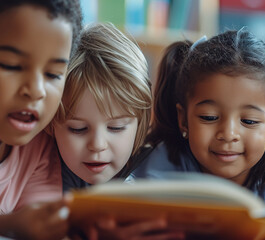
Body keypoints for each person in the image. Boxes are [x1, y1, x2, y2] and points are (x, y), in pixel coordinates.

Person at [132, 29, 265, 206]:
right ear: (184, 120)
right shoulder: (159, 169)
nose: (228, 134)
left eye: (249, 121)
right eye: (209, 117)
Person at [48, 22, 184, 240]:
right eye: (78, 129)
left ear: (141, 120)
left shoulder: (158, 167)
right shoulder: (43, 175)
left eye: (116, 127)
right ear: (51, 123)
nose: (98, 144)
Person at [0, 0, 82, 239]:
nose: (36, 90)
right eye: (11, 65)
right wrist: (10, 225)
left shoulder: (39, 150)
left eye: (53, 74)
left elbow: (42, 225)